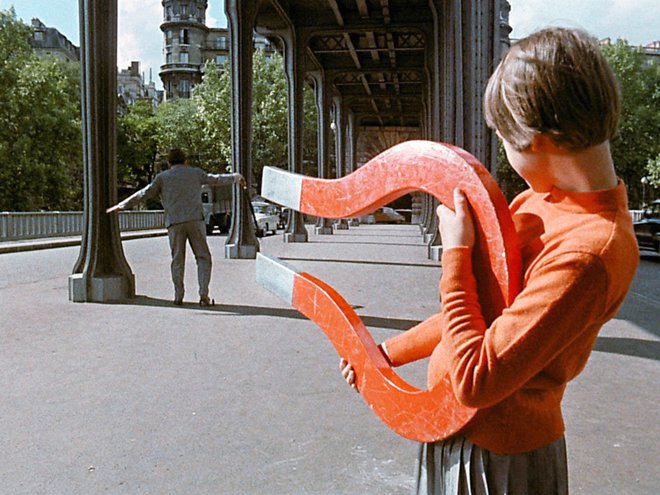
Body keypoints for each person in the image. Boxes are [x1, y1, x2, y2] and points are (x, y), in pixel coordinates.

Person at [340, 27, 639, 494]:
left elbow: (475, 381)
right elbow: (482, 315)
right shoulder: (539, 204)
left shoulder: (590, 252)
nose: (503, 152)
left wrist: (455, 256)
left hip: (498, 460)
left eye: (503, 139)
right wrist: (384, 355)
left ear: (535, 136)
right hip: (467, 440)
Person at [107, 148, 246, 306]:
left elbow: (144, 193)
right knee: (203, 257)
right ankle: (203, 294)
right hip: (195, 220)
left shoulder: (162, 178)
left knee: (177, 259)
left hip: (174, 222)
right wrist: (235, 177)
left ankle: (178, 294)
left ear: (168, 162)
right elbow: (215, 179)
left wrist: (122, 205)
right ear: (185, 161)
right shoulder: (195, 173)